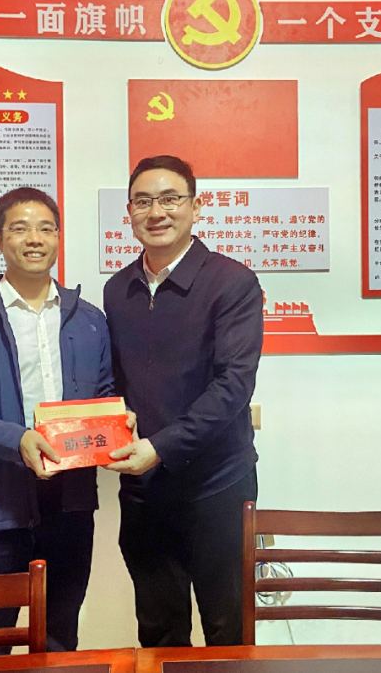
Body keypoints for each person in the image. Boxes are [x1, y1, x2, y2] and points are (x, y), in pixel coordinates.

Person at [0, 186, 119, 654]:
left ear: (58, 238)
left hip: (70, 504)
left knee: (59, 641)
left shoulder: (90, 320)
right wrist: (17, 440)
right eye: (20, 228)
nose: (35, 238)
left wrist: (117, 422)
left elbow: (104, 395)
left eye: (46, 228)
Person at [104, 155, 264, 647]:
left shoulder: (232, 282)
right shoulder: (117, 289)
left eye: (170, 199)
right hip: (145, 491)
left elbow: (233, 385)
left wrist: (161, 447)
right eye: (143, 201)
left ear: (195, 208)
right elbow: (113, 382)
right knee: (158, 630)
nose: (157, 212)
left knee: (227, 629)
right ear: (129, 213)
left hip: (217, 486)